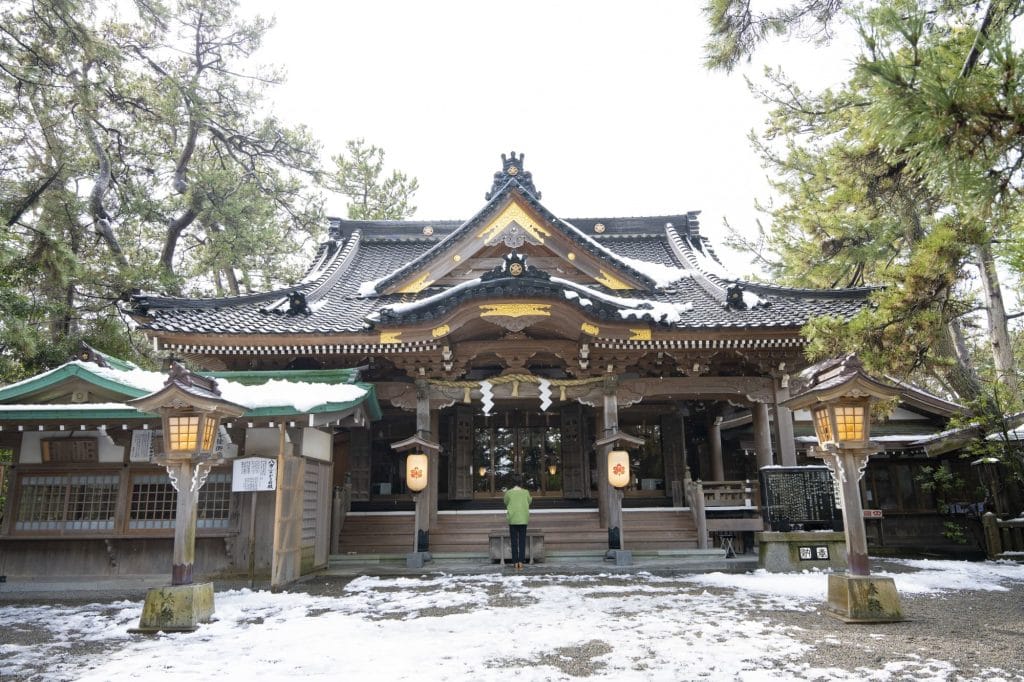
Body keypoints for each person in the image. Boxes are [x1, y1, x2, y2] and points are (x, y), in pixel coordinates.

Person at [503, 475, 533, 570]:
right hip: (523, 519)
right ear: (521, 483)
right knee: (522, 540)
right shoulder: (526, 492)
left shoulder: (509, 493)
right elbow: (530, 501)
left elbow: (505, 502)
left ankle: (515, 562)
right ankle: (521, 561)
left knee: (514, 541)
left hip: (512, 519)